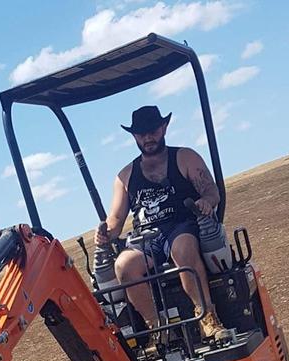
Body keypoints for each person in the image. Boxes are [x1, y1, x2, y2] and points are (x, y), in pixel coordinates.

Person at [94, 105, 225, 339]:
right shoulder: (125, 175)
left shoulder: (185, 157)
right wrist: (106, 232)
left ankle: (206, 316)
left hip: (181, 225)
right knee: (124, 265)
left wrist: (205, 202)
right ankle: (158, 328)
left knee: (183, 249)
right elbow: (115, 219)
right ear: (134, 136)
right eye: (142, 133)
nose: (148, 137)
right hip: (146, 237)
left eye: (153, 130)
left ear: (163, 128)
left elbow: (211, 191)